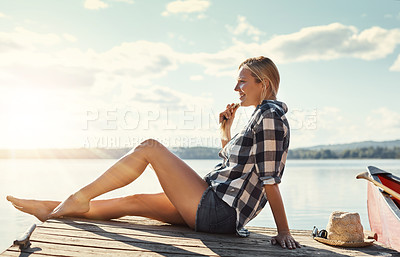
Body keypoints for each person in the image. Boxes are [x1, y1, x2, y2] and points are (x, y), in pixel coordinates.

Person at [7, 56, 301, 249]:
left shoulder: (270, 117)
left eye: (243, 81)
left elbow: (269, 179)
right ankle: (53, 209)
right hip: (216, 206)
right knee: (132, 202)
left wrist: (284, 231)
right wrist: (225, 131)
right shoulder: (259, 116)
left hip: (220, 211)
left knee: (150, 148)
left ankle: (79, 196)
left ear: (263, 84)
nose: (236, 87)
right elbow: (236, 167)